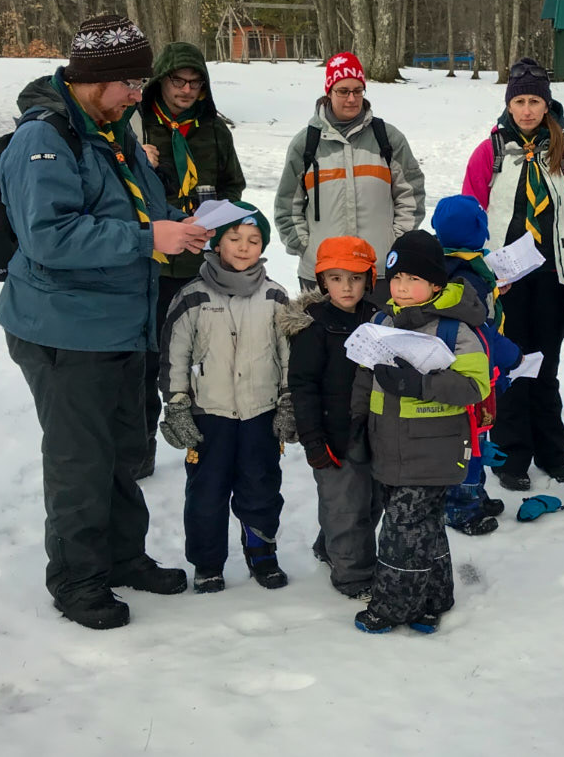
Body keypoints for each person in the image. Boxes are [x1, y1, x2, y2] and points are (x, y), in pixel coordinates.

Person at [0, 14, 210, 629]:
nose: (138, 95)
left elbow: (144, 207)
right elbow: (49, 236)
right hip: (65, 331)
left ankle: (121, 556)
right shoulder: (44, 139)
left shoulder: (113, 130)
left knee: (122, 453)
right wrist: (149, 239)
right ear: (94, 78)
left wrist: (182, 225)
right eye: (130, 83)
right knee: (80, 462)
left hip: (121, 323)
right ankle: (77, 580)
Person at [461, 57, 564, 491]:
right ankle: (512, 457)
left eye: (534, 102)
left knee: (546, 367)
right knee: (512, 366)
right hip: (507, 282)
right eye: (519, 102)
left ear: (546, 105)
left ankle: (553, 453)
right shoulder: (490, 153)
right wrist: (477, 270)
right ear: (509, 104)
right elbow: (470, 213)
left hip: (553, 278)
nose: (527, 110)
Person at [349, 230, 491, 633]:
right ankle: (433, 598)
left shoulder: (454, 330)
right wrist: (356, 421)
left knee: (401, 528)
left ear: (436, 284)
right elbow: (364, 378)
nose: (402, 286)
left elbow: (475, 386)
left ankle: (392, 607)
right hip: (388, 444)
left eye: (413, 279)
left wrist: (421, 384)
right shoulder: (381, 322)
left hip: (434, 449)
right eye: (397, 277)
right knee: (424, 525)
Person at [159, 205, 292, 593]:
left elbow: (289, 355)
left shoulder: (275, 297)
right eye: (234, 238)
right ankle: (208, 562)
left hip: (260, 413)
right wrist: (177, 403)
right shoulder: (192, 297)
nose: (244, 247)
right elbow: (175, 354)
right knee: (206, 492)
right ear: (216, 244)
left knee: (261, 485)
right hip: (209, 415)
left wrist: (289, 400)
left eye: (253, 240)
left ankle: (261, 553)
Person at [136, 41, 247, 480]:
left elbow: (234, 185)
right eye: (178, 81)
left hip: (201, 263)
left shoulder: (214, 130)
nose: (186, 90)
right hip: (152, 265)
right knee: (149, 360)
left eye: (195, 83)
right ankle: (141, 449)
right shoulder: (136, 125)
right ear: (161, 81)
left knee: (206, 358)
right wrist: (136, 159)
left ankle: (207, 443)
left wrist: (218, 216)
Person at [278, 235, 383, 600]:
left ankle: (330, 547)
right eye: (336, 279)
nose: (347, 287)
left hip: (372, 431)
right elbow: (303, 385)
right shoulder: (315, 326)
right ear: (323, 281)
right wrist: (313, 439)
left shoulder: (378, 318)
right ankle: (354, 576)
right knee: (345, 508)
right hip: (333, 435)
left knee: (371, 502)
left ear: (369, 279)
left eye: (355, 278)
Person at [274, 52, 425, 290]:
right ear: (329, 92)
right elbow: (287, 206)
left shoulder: (388, 138)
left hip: (378, 272)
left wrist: (396, 241)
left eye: (358, 90)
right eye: (343, 91)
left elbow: (411, 195)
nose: (352, 99)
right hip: (322, 273)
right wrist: (306, 247)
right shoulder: (306, 143)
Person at [430, 195, 522, 535]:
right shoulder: (469, 277)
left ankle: (475, 495)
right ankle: (461, 507)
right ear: (480, 231)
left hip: (465, 367)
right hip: (474, 369)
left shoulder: (446, 267)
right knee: (470, 440)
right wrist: (511, 356)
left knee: (477, 437)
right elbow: (481, 330)